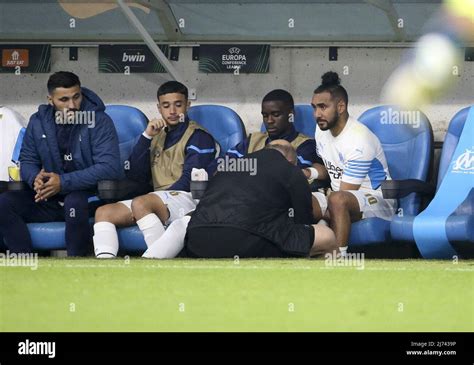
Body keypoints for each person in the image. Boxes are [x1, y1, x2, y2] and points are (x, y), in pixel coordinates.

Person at [0, 71, 122, 256]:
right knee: (5, 203)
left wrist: (62, 182)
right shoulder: (38, 121)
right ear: (51, 100)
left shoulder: (99, 120)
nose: (72, 105)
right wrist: (35, 178)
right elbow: (27, 160)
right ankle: (24, 264)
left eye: (76, 97)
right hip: (50, 197)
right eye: (64, 100)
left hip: (89, 195)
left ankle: (78, 268)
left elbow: (109, 168)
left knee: (74, 203)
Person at [93, 81, 217, 258]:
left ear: (188, 105)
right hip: (157, 200)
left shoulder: (199, 136)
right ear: (159, 108)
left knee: (141, 203)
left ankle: (160, 262)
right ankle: (105, 267)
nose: (172, 111)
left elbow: (189, 181)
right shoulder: (156, 135)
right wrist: (146, 137)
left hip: (188, 199)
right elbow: (135, 174)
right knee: (104, 213)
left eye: (178, 104)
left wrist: (153, 200)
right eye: (166, 106)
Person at [183, 140, 337, 258]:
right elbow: (304, 221)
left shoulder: (230, 165)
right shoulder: (290, 170)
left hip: (197, 240)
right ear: (291, 161)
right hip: (244, 241)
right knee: (326, 237)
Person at [310, 72, 397, 256]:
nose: (317, 114)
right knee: (302, 200)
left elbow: (344, 193)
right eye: (314, 108)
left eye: (323, 107)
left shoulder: (359, 140)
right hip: (339, 196)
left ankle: (338, 258)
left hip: (378, 200)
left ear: (341, 107)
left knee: (337, 200)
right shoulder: (320, 129)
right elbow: (330, 169)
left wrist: (323, 216)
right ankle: (298, 251)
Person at [225, 89, 320, 171]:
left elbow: (293, 175)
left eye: (276, 114)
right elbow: (222, 164)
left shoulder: (306, 145)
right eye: (265, 116)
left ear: (291, 114)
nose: (269, 121)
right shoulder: (253, 140)